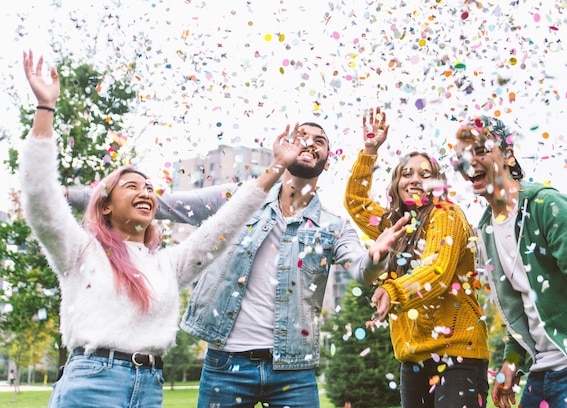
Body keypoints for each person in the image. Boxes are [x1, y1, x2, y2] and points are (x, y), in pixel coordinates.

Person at [19, 49, 302, 408]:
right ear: (104, 205)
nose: (145, 193)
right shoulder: (80, 250)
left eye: (150, 188)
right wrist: (45, 109)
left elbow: (223, 228)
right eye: (131, 186)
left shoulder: (167, 264)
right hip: (91, 384)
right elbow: (39, 197)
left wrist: (277, 166)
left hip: (150, 387)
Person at [67, 121, 409, 406]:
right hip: (225, 364)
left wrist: (376, 257)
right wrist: (65, 196)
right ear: (285, 148)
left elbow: (360, 268)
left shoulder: (334, 226)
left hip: (294, 369)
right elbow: (163, 204)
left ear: (327, 160)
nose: (310, 143)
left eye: (319, 141)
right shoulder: (236, 199)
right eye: (301, 136)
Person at [453, 115, 567, 408]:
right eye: (462, 156)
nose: (470, 162)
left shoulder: (547, 206)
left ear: (508, 155)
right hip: (541, 374)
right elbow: (520, 305)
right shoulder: (487, 227)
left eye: (481, 150)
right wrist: (511, 360)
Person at [344, 107, 490, 407]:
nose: (413, 179)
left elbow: (436, 270)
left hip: (458, 356)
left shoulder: (446, 215)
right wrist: (370, 150)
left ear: (437, 184)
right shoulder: (396, 225)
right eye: (406, 173)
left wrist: (392, 290)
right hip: (412, 358)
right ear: (396, 183)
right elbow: (356, 203)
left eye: (425, 174)